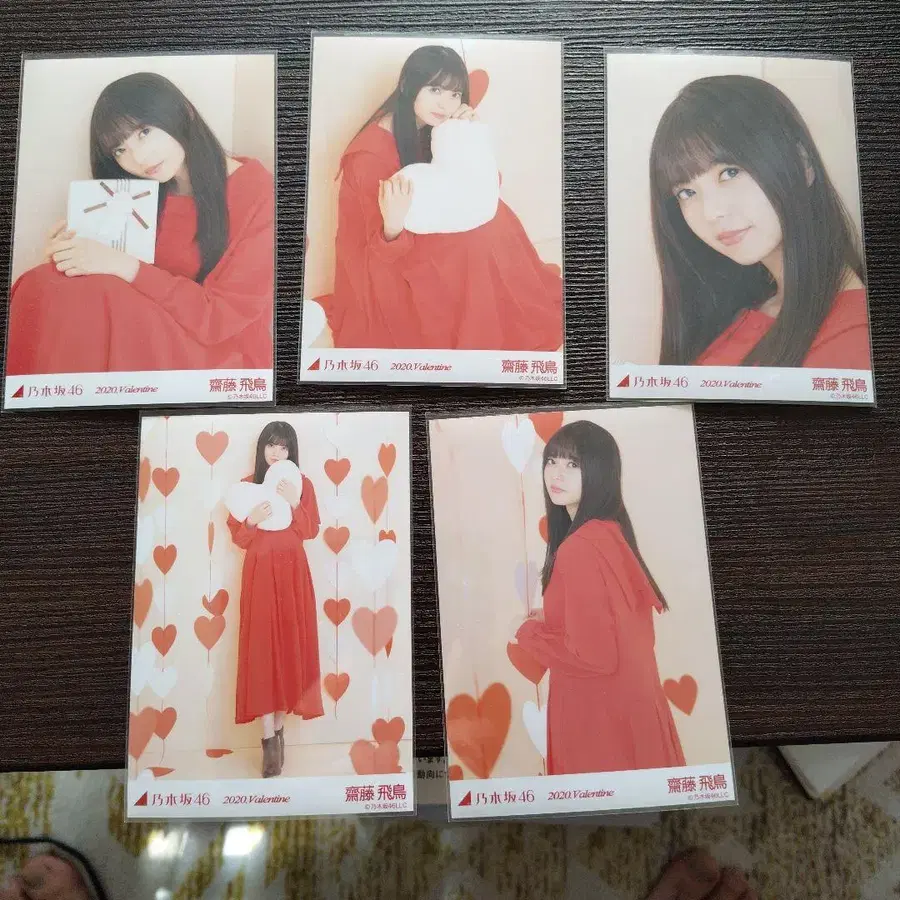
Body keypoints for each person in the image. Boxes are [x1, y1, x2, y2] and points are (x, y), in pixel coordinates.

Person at [6, 72, 274, 376]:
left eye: (144, 132)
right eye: (119, 149)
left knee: (74, 296)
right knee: (43, 286)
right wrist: (70, 257)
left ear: (183, 111)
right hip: (146, 324)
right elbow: (112, 274)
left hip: (219, 349)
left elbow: (218, 319)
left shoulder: (261, 194)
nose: (138, 157)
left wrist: (123, 265)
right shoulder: (141, 193)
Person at [317, 44, 563, 351]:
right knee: (472, 242)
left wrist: (467, 136)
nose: (445, 104)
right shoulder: (369, 157)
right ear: (408, 85)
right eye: (435, 90)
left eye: (454, 94)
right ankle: (484, 323)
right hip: (381, 259)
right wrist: (393, 225)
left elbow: (484, 185)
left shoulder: (436, 125)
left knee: (495, 216)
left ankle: (506, 308)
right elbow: (374, 251)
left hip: (415, 230)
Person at [649, 74, 870, 369]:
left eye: (729, 173)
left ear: (802, 163)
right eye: (686, 192)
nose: (711, 212)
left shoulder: (854, 340)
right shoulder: (743, 307)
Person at [513, 420, 685, 775]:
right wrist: (553, 618)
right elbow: (619, 626)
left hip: (599, 725)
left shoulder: (579, 548)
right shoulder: (610, 533)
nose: (557, 473)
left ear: (600, 472)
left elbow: (594, 657)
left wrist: (529, 634)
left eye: (573, 464)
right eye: (552, 461)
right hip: (634, 712)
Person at [227, 421, 323, 778]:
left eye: (283, 447)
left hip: (293, 573)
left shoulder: (302, 484)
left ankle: (278, 732)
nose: (276, 453)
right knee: (262, 648)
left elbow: (310, 530)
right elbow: (239, 537)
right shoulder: (246, 485)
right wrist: (252, 520)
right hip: (260, 574)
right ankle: (268, 739)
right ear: (262, 448)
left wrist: (295, 501)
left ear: (291, 451)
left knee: (289, 646)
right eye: (271, 445)